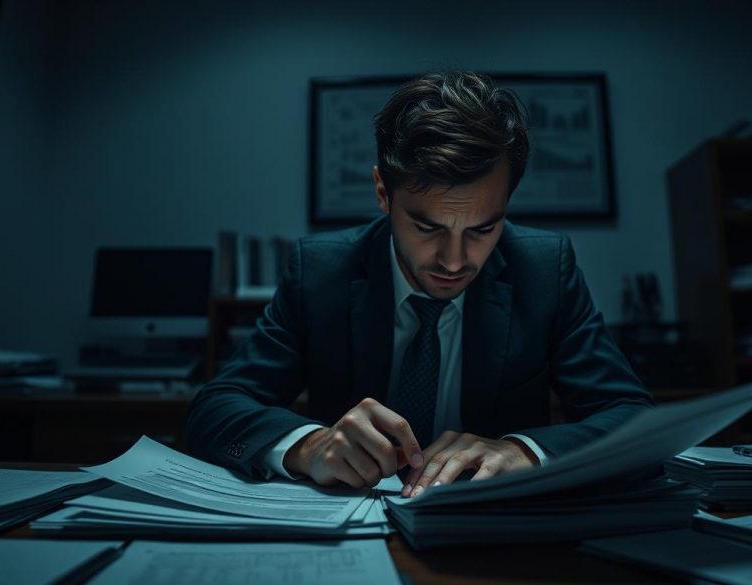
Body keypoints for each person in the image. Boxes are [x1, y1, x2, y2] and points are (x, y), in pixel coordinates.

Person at [186, 71, 652, 498]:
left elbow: (632, 415)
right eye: (428, 228)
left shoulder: (546, 269)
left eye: (482, 229)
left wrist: (526, 451)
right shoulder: (319, 272)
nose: (454, 261)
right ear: (383, 194)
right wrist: (310, 445)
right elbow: (215, 407)